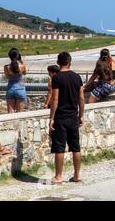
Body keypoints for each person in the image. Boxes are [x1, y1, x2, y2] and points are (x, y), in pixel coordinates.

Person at [49, 52, 85, 184]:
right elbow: (81, 98)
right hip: (73, 116)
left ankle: (58, 176)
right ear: (69, 62)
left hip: (61, 117)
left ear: (58, 63)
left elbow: (55, 99)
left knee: (59, 147)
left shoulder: (57, 78)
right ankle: (77, 175)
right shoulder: (77, 77)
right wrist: (80, 115)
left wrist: (51, 118)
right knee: (76, 147)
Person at [4, 48, 27, 113]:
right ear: (18, 55)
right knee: (19, 113)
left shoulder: (6, 67)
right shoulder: (22, 66)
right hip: (20, 88)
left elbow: (7, 76)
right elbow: (25, 73)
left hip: (10, 88)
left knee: (10, 112)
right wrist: (21, 62)